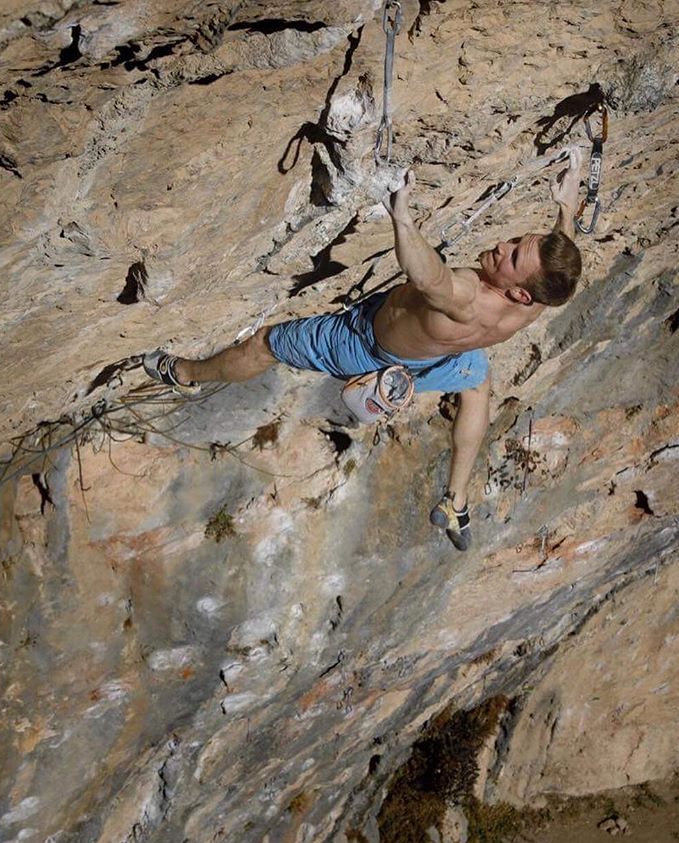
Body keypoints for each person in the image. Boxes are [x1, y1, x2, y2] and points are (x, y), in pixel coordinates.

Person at [144, 152, 583, 551]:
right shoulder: (536, 301)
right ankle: (457, 500)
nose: (501, 248)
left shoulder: (469, 296)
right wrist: (567, 204)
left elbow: (429, 278)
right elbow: (556, 260)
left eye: (509, 258)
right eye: (514, 242)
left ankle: (185, 373)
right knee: (478, 382)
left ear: (521, 293)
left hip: (362, 345)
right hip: (435, 360)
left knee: (266, 344)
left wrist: (403, 215)